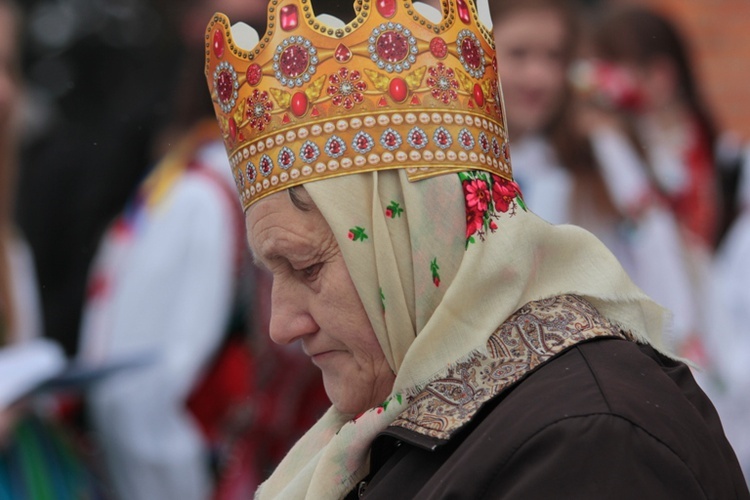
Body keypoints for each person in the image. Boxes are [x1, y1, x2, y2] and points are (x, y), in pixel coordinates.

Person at [204, 0, 749, 498]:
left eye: (306, 266)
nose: (281, 324)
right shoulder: (392, 417)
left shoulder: (588, 443)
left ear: (418, 241)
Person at [492, 0, 699, 355]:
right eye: (519, 54)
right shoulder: (449, 164)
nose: (538, 76)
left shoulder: (595, 162)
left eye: (554, 57)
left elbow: (659, 271)